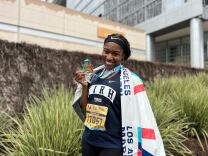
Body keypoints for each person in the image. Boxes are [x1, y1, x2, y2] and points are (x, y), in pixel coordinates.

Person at [73, 34, 165, 156]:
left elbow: (141, 114)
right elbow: (86, 110)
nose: (109, 57)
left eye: (115, 54)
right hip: (89, 140)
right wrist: (85, 86)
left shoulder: (130, 81)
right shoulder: (94, 76)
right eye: (106, 51)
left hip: (113, 145)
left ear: (123, 56)